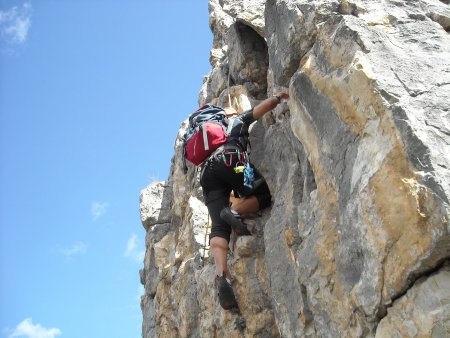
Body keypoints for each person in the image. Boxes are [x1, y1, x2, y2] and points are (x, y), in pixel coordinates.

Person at [199, 92, 289, 310]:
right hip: (231, 159)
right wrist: (278, 98)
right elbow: (261, 109)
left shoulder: (208, 143)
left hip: (207, 175)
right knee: (263, 194)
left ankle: (221, 275)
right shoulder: (236, 121)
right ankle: (236, 211)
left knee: (219, 228)